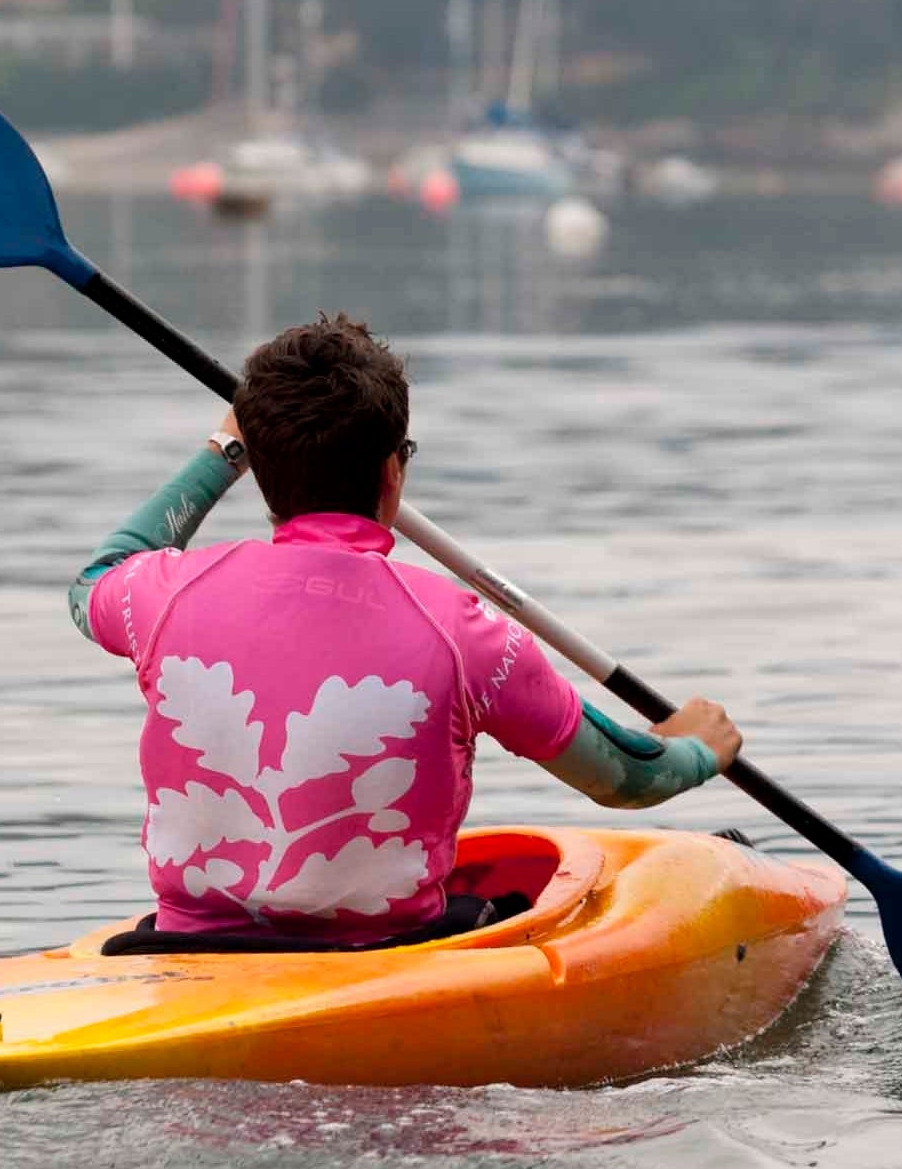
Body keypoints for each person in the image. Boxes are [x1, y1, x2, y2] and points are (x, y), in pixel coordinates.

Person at [68, 313, 740, 947]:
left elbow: (97, 576)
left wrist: (224, 449)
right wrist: (695, 752)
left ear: (261, 472)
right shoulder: (464, 635)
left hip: (186, 953)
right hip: (388, 956)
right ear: (393, 471)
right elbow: (624, 778)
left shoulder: (164, 595)